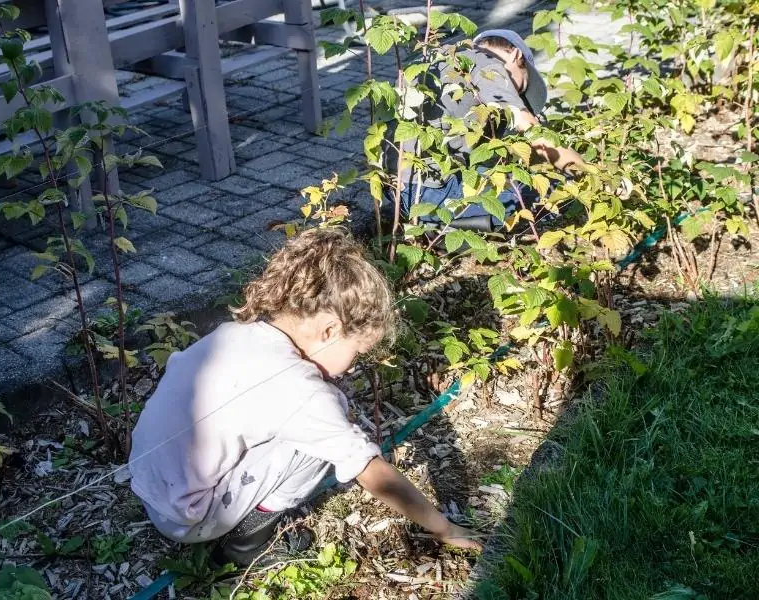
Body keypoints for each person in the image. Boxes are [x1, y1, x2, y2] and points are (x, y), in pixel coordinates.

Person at [128, 228, 482, 566]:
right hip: (186, 517)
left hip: (148, 483)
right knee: (325, 429)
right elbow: (370, 471)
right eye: (357, 352)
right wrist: (443, 527)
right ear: (330, 329)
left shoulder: (237, 334)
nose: (352, 365)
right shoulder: (298, 390)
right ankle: (245, 545)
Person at [387, 29, 586, 232]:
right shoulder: (490, 66)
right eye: (522, 86)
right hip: (427, 193)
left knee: (499, 172)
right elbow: (534, 133)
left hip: (394, 189)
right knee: (542, 189)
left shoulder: (446, 58)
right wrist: (591, 179)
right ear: (516, 56)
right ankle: (443, 227)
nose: (517, 94)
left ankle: (433, 222)